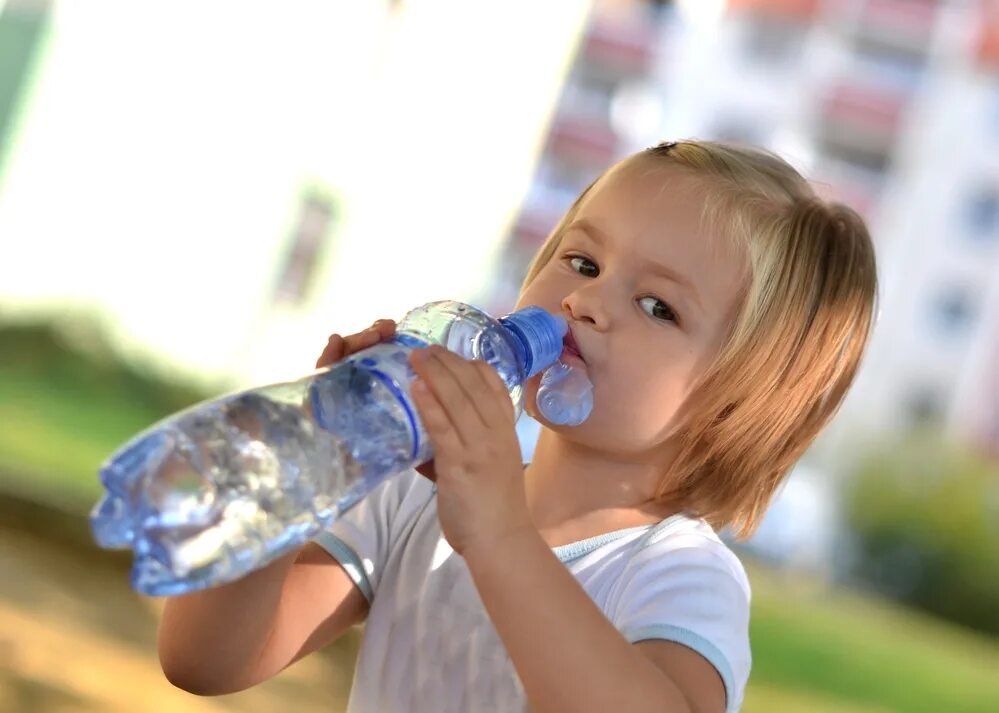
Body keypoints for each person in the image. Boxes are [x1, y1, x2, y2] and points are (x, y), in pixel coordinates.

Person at [157, 140, 878, 713]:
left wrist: (499, 533)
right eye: (582, 260)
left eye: (658, 306)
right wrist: (305, 470)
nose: (587, 300)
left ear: (738, 403)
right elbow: (203, 661)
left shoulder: (678, 576)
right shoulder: (416, 497)